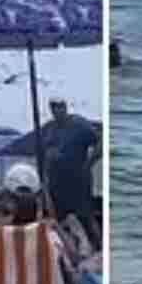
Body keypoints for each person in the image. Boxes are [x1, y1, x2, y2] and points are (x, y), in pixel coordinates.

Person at [43, 98, 101, 248]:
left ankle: (99, 248)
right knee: (59, 222)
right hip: (57, 184)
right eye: (53, 108)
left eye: (59, 107)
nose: (56, 111)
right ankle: (69, 250)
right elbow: (48, 152)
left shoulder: (79, 125)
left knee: (86, 218)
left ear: (65, 107)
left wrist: (89, 163)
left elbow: (100, 142)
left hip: (77, 182)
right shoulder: (51, 129)